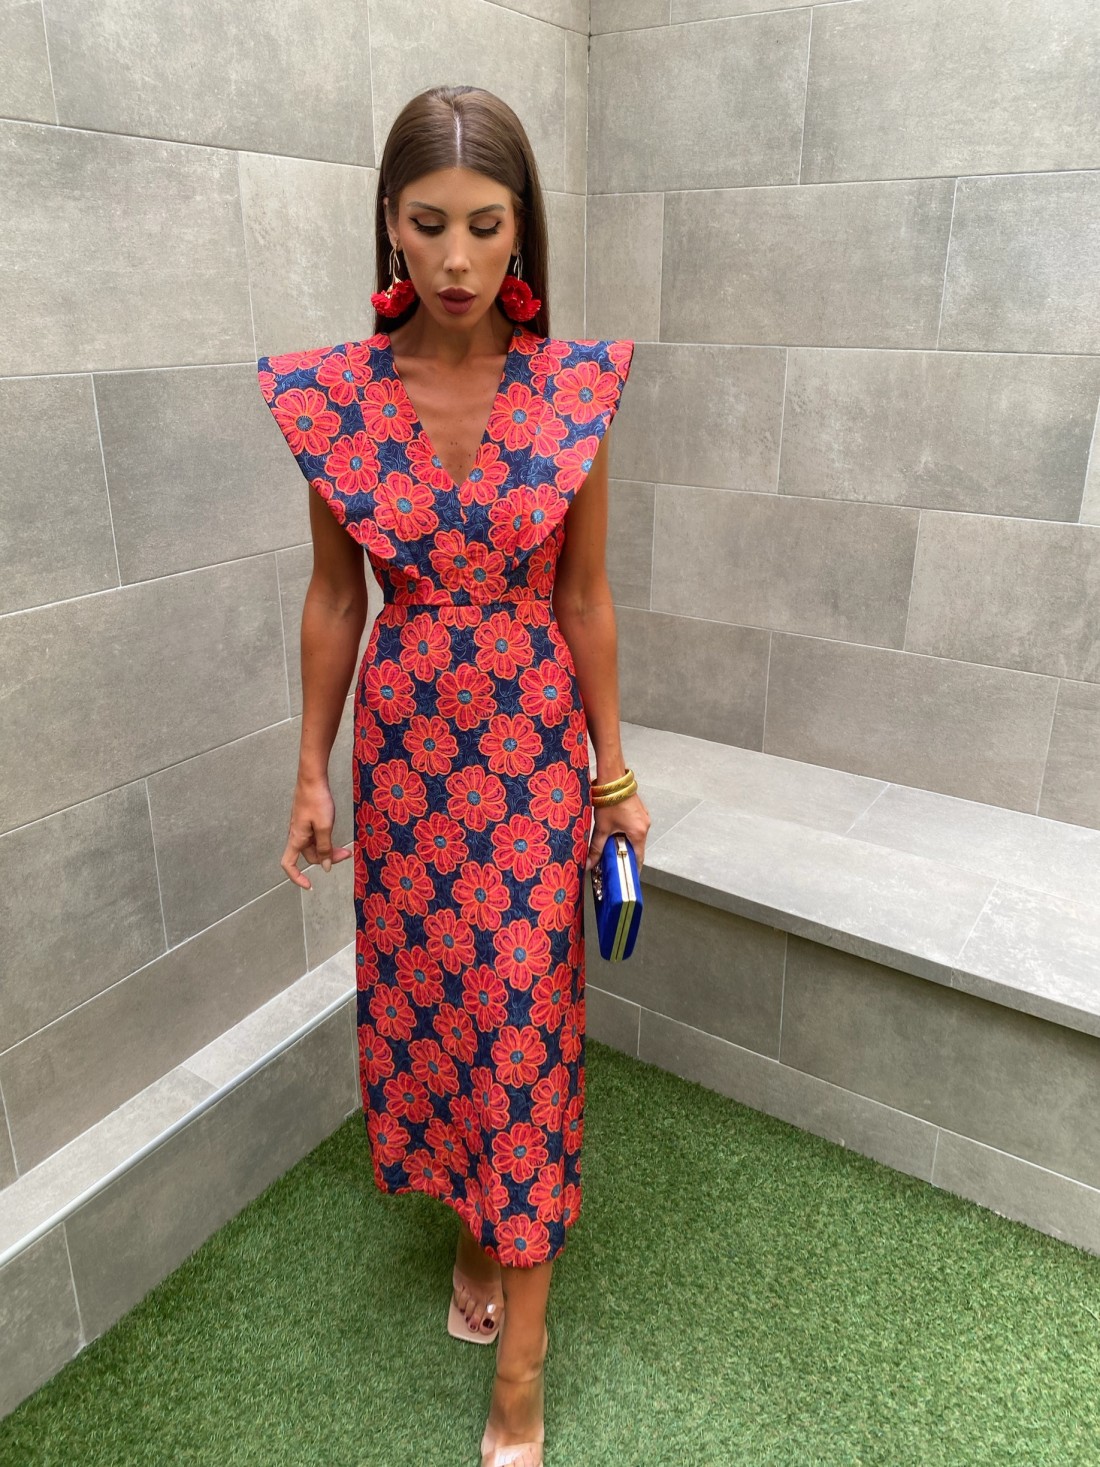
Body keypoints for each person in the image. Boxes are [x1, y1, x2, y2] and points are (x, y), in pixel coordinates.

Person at [256, 84, 650, 1467]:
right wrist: (311, 770)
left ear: (522, 228)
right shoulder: (336, 398)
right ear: (391, 224)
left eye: (487, 225)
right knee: (439, 1009)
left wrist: (613, 779)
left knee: (522, 1022)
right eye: (430, 225)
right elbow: (333, 597)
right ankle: (477, 1233)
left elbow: (586, 596)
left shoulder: (575, 390)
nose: (459, 259)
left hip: (533, 756)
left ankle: (521, 1380)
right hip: (410, 756)